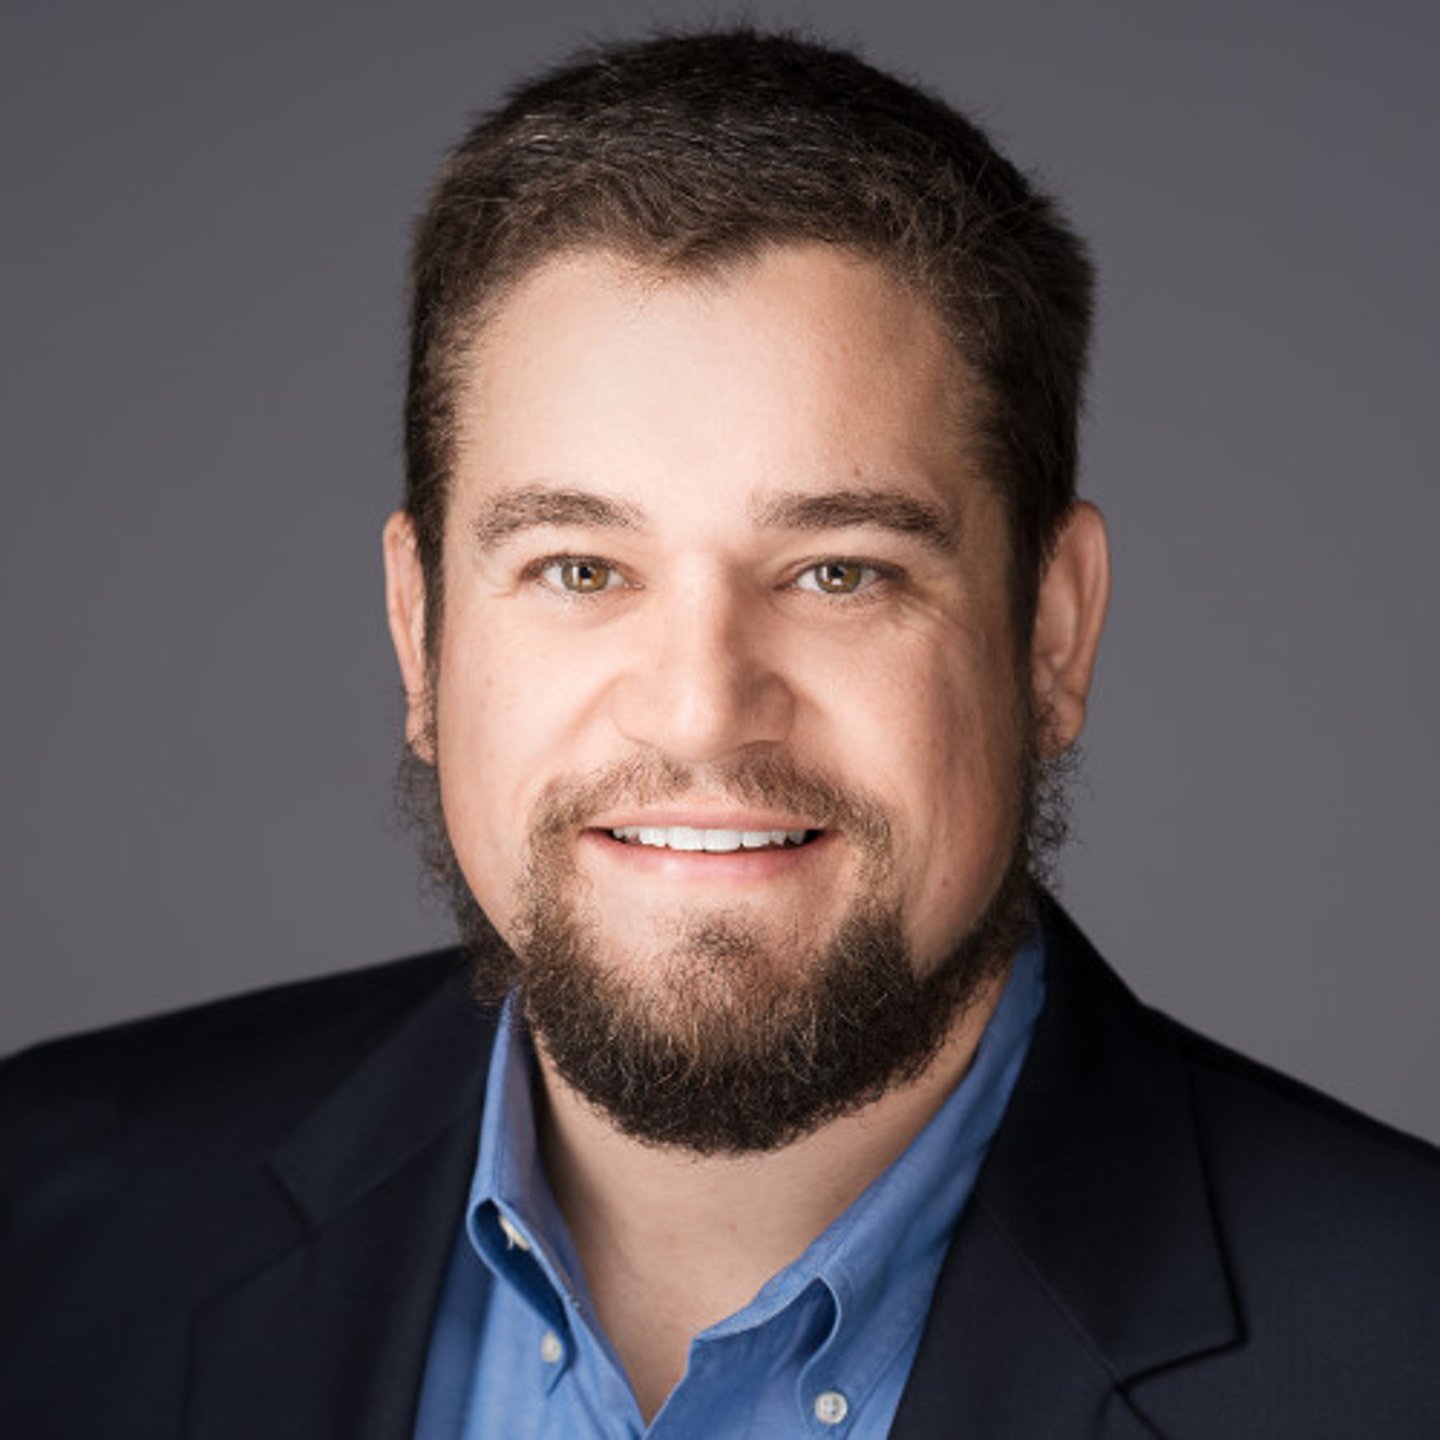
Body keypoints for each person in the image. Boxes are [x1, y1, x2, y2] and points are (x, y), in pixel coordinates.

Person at [2, 27, 1437, 1440]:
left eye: (841, 571)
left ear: (1051, 633)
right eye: (578, 567)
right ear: (419, 631)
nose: (699, 709)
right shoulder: (46, 1228)